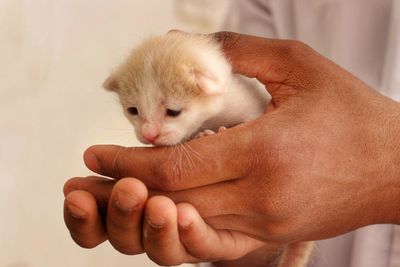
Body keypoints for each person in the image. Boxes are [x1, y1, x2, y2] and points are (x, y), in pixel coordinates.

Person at [64, 30, 400, 266]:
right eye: (134, 112)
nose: (147, 132)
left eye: (173, 111)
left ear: (208, 85)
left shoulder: (229, 93)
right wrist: (238, 242)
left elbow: (268, 138)